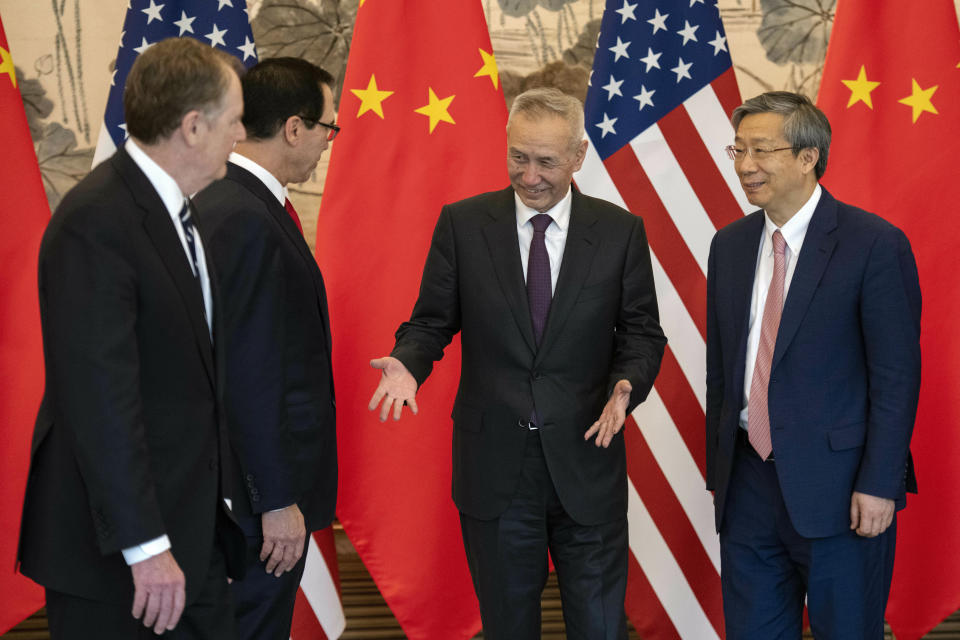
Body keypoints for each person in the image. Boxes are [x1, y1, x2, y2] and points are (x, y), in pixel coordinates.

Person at [368, 87, 666, 640]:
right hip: (496, 470)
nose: (529, 175)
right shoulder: (463, 224)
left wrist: (628, 383)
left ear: (578, 156)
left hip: (586, 462)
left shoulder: (620, 231)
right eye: (518, 157)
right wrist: (409, 362)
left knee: (601, 629)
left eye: (547, 161)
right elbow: (431, 320)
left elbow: (643, 333)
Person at [18, 38, 247, 639]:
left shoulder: (178, 212)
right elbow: (100, 401)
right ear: (193, 127)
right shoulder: (98, 221)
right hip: (120, 561)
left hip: (187, 544)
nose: (243, 134)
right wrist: (147, 549)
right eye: (235, 119)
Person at [705, 91, 921, 638]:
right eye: (738, 150)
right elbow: (722, 369)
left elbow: (896, 378)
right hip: (748, 489)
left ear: (808, 157)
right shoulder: (728, 246)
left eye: (762, 150)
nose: (745, 165)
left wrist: (880, 483)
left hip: (842, 490)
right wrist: (721, 472)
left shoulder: (873, 244)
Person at [192, 57, 338, 640]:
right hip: (254, 507)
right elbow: (248, 372)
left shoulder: (238, 202)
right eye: (330, 127)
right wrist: (276, 500)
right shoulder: (243, 215)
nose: (329, 144)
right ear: (295, 128)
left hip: (248, 496)